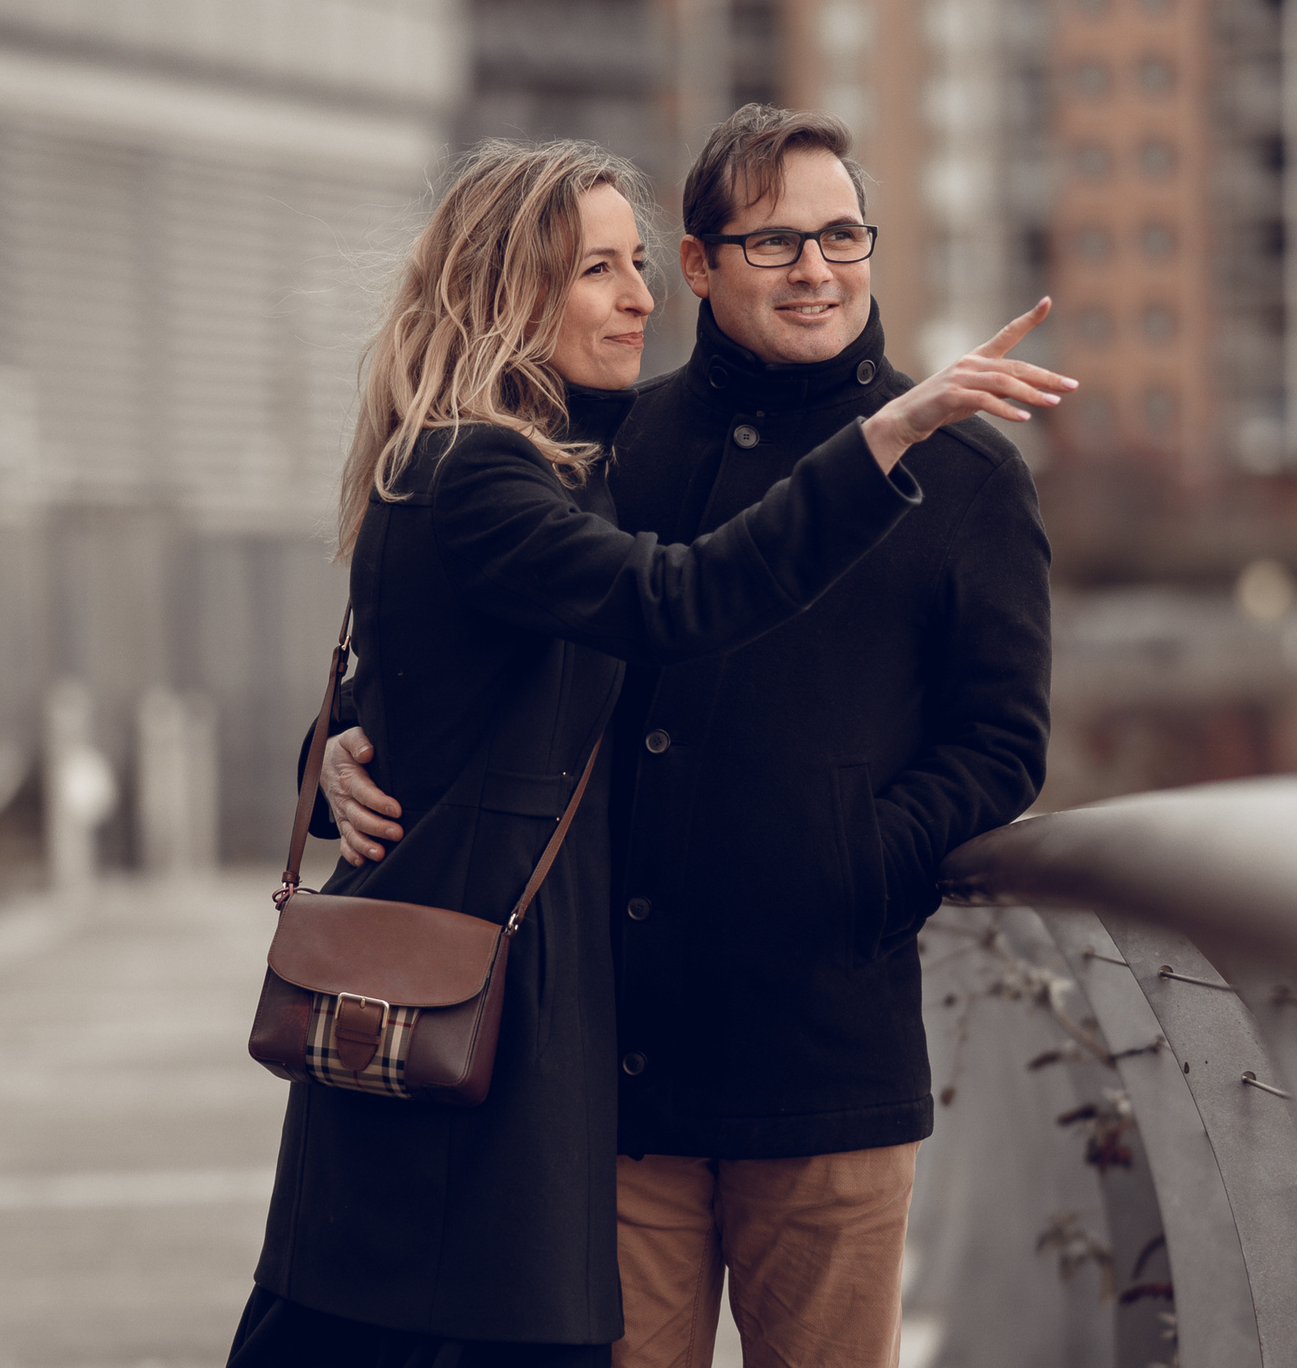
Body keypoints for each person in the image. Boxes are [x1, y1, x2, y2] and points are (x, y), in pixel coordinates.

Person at [232, 136, 1070, 1365]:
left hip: (823, 1039)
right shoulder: (598, 449)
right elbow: (564, 624)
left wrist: (856, 863)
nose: (814, 269)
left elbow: (1002, 742)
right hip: (608, 1069)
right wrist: (342, 742)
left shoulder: (969, 473)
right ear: (706, 263)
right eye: (772, 240)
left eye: (841, 236)